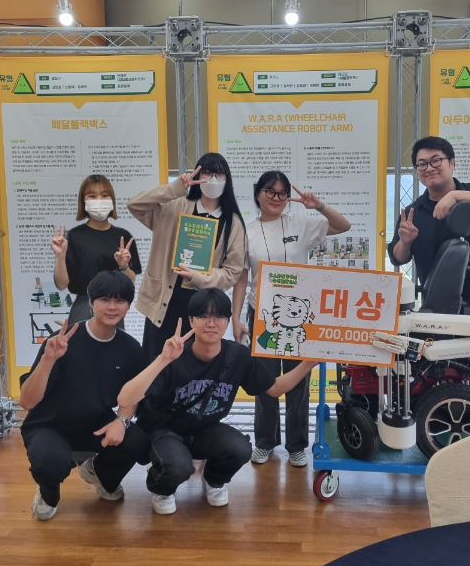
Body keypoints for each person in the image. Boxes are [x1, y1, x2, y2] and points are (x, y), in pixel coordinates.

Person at [117, 288, 317, 515]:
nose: (211, 323)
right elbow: (125, 399)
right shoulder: (173, 355)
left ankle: (214, 480)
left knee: (240, 448)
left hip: (205, 430)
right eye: (203, 316)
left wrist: (308, 363)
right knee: (178, 466)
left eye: (219, 316)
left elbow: (275, 388)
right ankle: (163, 489)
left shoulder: (238, 356)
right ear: (191, 320)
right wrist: (162, 360)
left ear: (228, 321)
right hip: (165, 430)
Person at [387, 136, 470, 426]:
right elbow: (398, 258)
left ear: (451, 163)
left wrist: (456, 196)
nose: (429, 168)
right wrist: (405, 240)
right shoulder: (414, 211)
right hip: (441, 312)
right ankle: (451, 433)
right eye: (422, 164)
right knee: (443, 376)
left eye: (436, 160)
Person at [231, 171, 350, 467]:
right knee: (264, 381)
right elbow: (242, 278)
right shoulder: (246, 231)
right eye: (270, 191)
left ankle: (297, 444)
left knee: (298, 381)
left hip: (299, 315)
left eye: (282, 193)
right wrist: (235, 317)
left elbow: (343, 225)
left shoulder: (300, 224)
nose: (276, 198)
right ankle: (264, 442)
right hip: (261, 314)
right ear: (258, 194)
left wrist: (318, 205)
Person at [19, 270, 148, 521]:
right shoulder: (62, 342)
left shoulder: (130, 348)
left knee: (137, 440)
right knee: (48, 461)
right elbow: (26, 401)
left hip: (94, 425)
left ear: (128, 305)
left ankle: (99, 474)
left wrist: (122, 421)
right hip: (49, 425)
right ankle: (48, 493)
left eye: (120, 300)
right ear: (90, 302)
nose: (112, 307)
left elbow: (132, 396)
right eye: (105, 299)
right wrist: (48, 360)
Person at [126, 152, 246, 361]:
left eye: (219, 174)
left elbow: (232, 272)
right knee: (155, 365)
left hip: (201, 309)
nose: (213, 179)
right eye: (207, 173)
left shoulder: (233, 223)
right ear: (197, 176)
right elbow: (134, 204)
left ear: (227, 179)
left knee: (192, 368)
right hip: (163, 304)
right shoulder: (175, 207)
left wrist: (198, 277)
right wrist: (175, 188)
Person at [51, 174, 141, 328]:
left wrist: (124, 266)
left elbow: (130, 281)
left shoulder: (123, 236)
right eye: (92, 196)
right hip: (83, 305)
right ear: (83, 201)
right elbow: (61, 284)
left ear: (112, 200)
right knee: (79, 343)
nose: (99, 200)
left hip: (113, 307)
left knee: (114, 344)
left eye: (104, 195)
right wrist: (60, 256)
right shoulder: (75, 236)